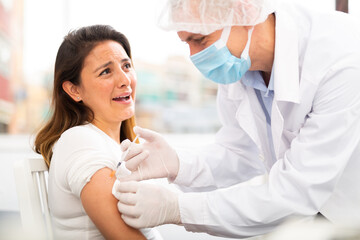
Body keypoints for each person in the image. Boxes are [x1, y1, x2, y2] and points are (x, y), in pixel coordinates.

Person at [113, 0, 360, 238]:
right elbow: (240, 151)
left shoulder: (339, 58)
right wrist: (177, 163)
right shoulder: (239, 65)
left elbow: (298, 191)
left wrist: (178, 208)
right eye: (186, 42)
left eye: (199, 39)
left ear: (245, 10)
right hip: (312, 219)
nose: (194, 55)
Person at [34, 25, 162, 240]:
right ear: (74, 90)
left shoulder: (114, 145)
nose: (125, 80)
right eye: (106, 71)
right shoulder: (80, 141)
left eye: (127, 66)